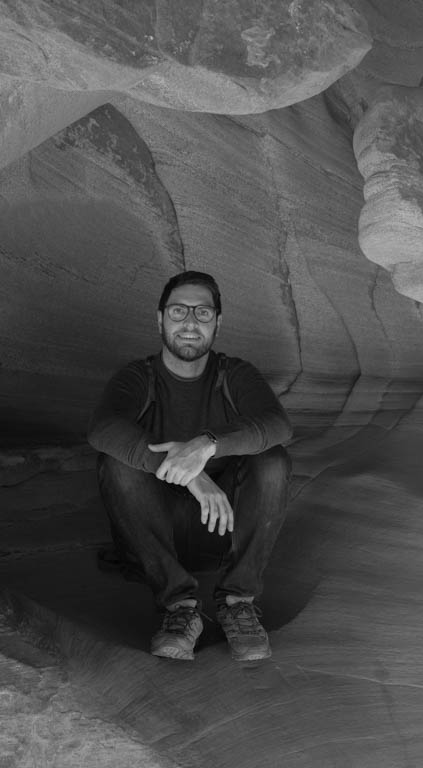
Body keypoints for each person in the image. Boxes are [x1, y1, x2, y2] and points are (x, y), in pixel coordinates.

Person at [87, 271, 292, 661]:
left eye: (203, 312)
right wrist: (189, 474)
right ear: (160, 319)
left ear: (218, 322)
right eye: (179, 311)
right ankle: (179, 607)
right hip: (155, 539)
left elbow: (278, 425)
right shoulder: (140, 378)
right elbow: (102, 428)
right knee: (116, 463)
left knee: (273, 459)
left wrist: (207, 445)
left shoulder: (233, 375)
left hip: (223, 531)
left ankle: (238, 601)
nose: (190, 323)